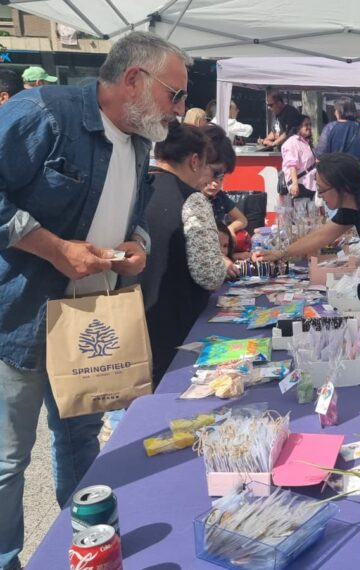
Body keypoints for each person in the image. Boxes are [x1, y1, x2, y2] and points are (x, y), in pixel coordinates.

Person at [0, 31, 189, 570]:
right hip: (23, 316)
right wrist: (55, 248)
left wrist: (138, 247)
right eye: (174, 94)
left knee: (80, 438)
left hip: (90, 316)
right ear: (134, 79)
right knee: (9, 458)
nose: (178, 110)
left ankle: (81, 544)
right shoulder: (45, 111)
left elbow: (133, 218)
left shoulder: (140, 137)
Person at [131, 121, 227, 385]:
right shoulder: (192, 200)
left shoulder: (135, 187)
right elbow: (209, 274)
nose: (208, 176)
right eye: (208, 166)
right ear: (194, 161)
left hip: (131, 316)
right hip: (176, 323)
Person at [200, 124, 248, 235]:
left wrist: (229, 230)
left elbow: (242, 219)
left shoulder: (219, 197)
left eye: (221, 178)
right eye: (213, 174)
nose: (215, 184)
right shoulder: (187, 198)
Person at [315, 97, 360, 173]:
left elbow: (320, 154)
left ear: (339, 111)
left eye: (335, 110)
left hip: (335, 174)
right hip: (359, 173)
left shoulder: (329, 128)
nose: (334, 112)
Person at [281, 115, 317, 201]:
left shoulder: (305, 142)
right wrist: (295, 184)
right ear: (298, 127)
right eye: (306, 125)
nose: (309, 127)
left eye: (310, 125)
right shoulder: (292, 142)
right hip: (300, 185)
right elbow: (292, 165)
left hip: (309, 185)